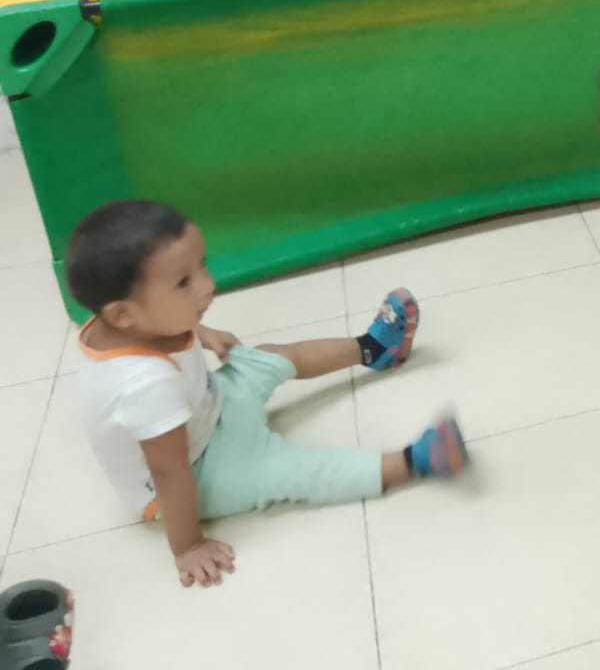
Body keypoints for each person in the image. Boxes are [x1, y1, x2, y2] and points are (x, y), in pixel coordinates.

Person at [66, 200, 468, 589]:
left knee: (272, 357)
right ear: (123, 312)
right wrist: (188, 546)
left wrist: (200, 331)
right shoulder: (143, 386)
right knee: (290, 470)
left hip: (206, 408)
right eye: (184, 283)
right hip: (194, 470)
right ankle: (416, 461)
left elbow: (159, 331)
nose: (208, 285)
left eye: (202, 265)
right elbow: (169, 473)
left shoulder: (132, 320)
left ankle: (376, 348)